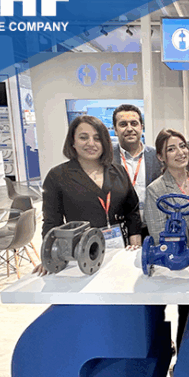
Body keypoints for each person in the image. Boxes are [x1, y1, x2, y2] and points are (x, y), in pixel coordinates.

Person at [36, 116, 143, 275]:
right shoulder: (58, 176)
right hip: (80, 256)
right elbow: (52, 222)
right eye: (83, 137)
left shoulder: (118, 171)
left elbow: (132, 211)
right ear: (72, 141)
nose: (91, 143)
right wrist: (50, 257)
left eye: (97, 138)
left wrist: (135, 242)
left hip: (120, 252)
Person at [145, 128, 189, 350]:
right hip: (179, 262)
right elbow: (157, 232)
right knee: (186, 313)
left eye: (182, 146)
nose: (180, 152)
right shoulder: (156, 189)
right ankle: (183, 358)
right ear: (161, 156)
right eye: (171, 149)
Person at [111, 104, 162, 228]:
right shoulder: (107, 158)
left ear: (141, 127)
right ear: (115, 130)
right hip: (119, 228)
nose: (129, 129)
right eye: (123, 124)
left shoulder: (157, 156)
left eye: (134, 123)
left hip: (151, 227)